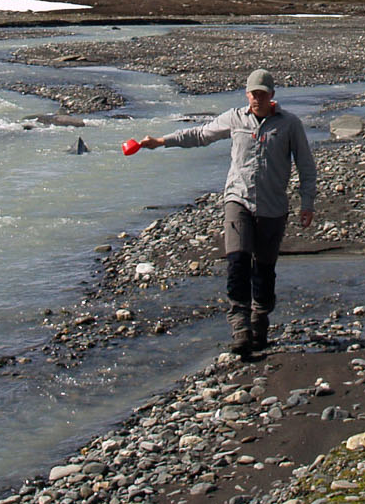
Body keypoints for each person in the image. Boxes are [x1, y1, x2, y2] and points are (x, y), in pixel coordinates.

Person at [131, 68, 316, 358]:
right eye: (253, 93)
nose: (257, 98)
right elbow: (200, 134)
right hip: (237, 200)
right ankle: (240, 328)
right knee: (237, 262)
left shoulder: (290, 124)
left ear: (272, 95)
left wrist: (307, 203)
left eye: (262, 93)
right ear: (247, 94)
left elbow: (306, 166)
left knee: (264, 271)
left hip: (273, 207)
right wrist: (161, 141)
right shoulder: (235, 118)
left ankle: (259, 321)